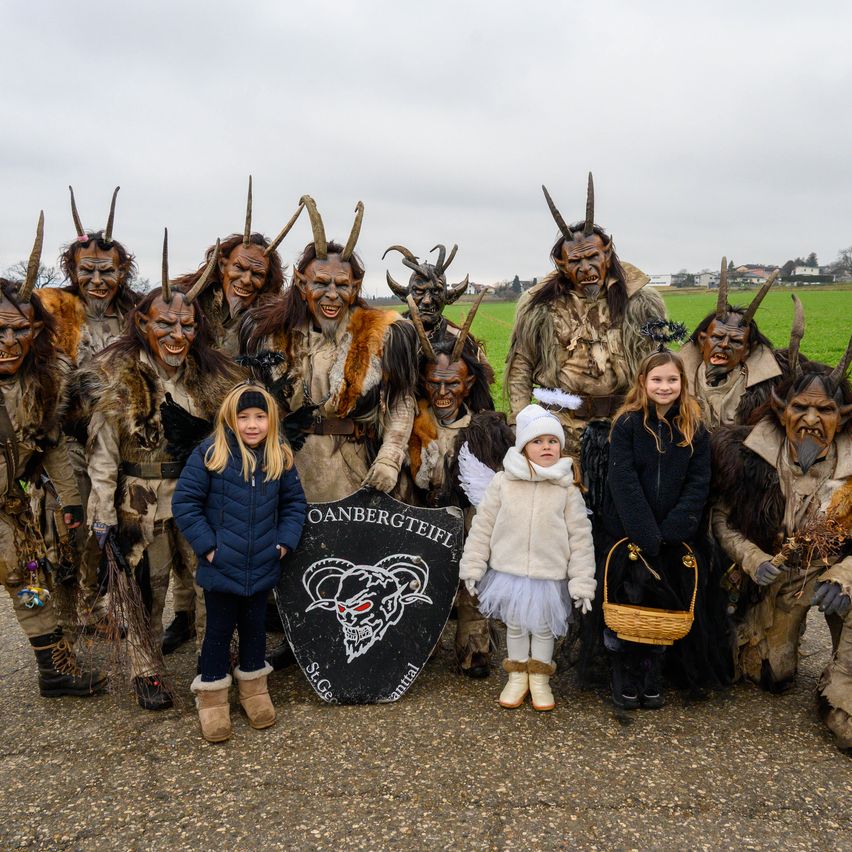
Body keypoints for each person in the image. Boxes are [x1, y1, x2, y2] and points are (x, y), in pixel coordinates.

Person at [84, 232, 242, 710]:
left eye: (187, 326)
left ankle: (216, 659)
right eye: (166, 324)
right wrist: (102, 510)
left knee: (207, 578)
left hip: (199, 495)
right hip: (140, 497)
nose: (178, 336)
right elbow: (103, 450)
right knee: (144, 586)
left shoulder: (212, 375)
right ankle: (145, 668)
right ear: (143, 322)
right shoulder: (118, 373)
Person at [712, 335, 852, 750]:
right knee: (771, 674)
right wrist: (752, 559)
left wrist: (845, 575)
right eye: (800, 407)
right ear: (781, 410)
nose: (811, 418)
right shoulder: (746, 456)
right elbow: (720, 521)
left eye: (824, 409)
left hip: (832, 572)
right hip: (778, 578)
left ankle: (843, 695)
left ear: (842, 417)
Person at [0, 213, 104, 697]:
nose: (8, 343)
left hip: (12, 510)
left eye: (19, 331)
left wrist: (70, 502)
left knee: (30, 584)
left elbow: (53, 445)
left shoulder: (46, 380)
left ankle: (53, 671)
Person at [173, 384, 306, 742]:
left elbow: (294, 505)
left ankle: (254, 690)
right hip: (221, 566)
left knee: (255, 629)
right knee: (218, 630)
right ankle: (213, 699)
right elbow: (185, 503)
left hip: (263, 563)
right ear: (230, 419)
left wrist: (282, 543)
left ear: (271, 420)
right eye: (243, 417)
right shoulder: (211, 454)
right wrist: (208, 548)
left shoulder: (280, 456)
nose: (251, 425)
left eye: (260, 417)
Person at [601, 350, 722, 710]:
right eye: (657, 380)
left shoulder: (694, 429)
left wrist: (673, 531)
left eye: (672, 380)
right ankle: (624, 669)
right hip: (630, 534)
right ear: (643, 383)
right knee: (630, 601)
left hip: (676, 536)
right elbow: (622, 480)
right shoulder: (626, 425)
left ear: (683, 384)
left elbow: (699, 483)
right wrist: (645, 533)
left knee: (665, 604)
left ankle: (652, 670)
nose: (664, 386)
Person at [458, 404, 595, 711]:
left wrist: (583, 582)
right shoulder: (503, 483)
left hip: (549, 575)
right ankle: (517, 675)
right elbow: (483, 527)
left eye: (552, 441)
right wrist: (473, 564)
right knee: (517, 627)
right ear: (523, 447)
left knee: (544, 628)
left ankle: (541, 678)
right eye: (538, 441)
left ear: (561, 447)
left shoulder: (567, 489)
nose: (546, 447)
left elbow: (581, 539)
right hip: (511, 573)